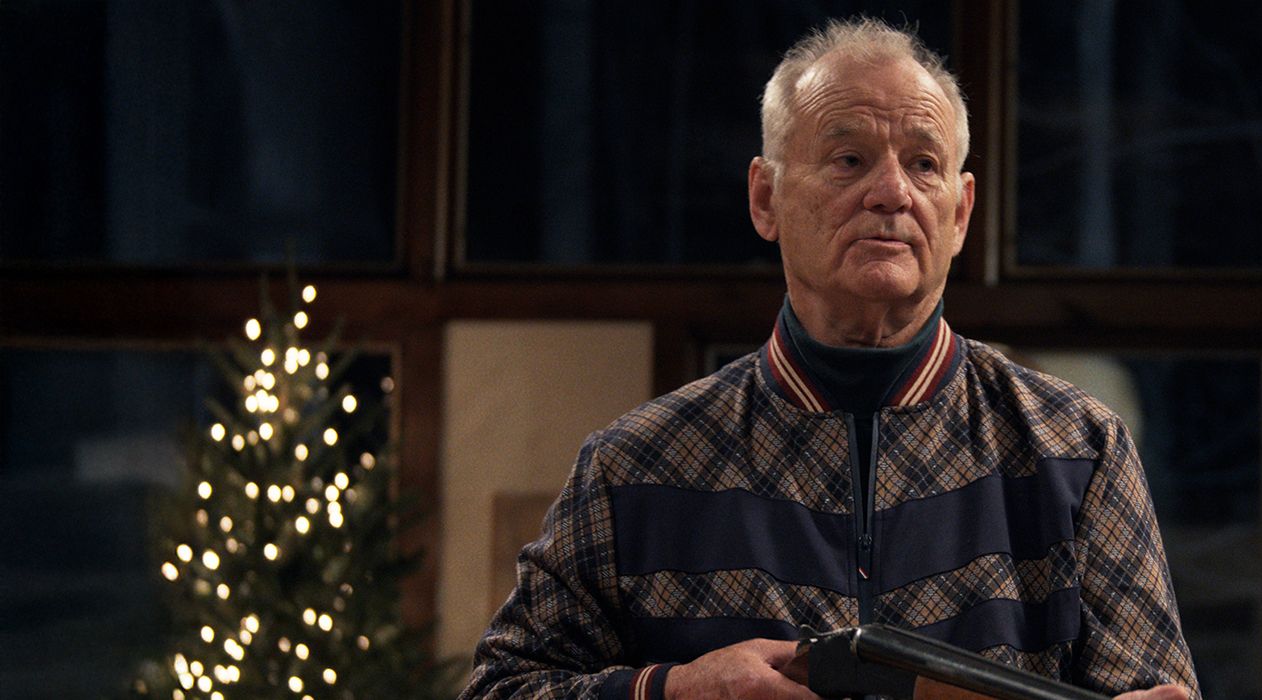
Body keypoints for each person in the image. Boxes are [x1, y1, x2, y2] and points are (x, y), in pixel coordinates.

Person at [462, 18, 1198, 700]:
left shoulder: (1077, 454)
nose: (892, 192)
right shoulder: (635, 469)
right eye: (850, 160)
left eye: (924, 164)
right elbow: (500, 688)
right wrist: (670, 690)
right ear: (765, 198)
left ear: (960, 213)